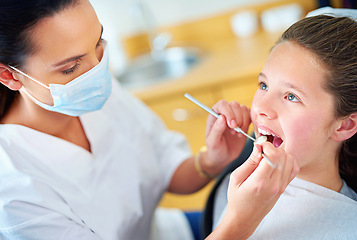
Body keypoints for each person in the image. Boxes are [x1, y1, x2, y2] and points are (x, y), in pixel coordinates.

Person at [0, 0, 251, 239]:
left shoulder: (100, 92)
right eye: (70, 68)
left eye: (98, 43)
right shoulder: (14, 192)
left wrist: (211, 160)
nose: (97, 70)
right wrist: (239, 221)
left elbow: (167, 171)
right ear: (9, 75)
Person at [204, 13, 357, 239]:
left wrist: (239, 224)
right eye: (264, 85)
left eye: (291, 96)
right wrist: (213, 162)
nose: (261, 107)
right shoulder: (244, 182)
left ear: (344, 125)